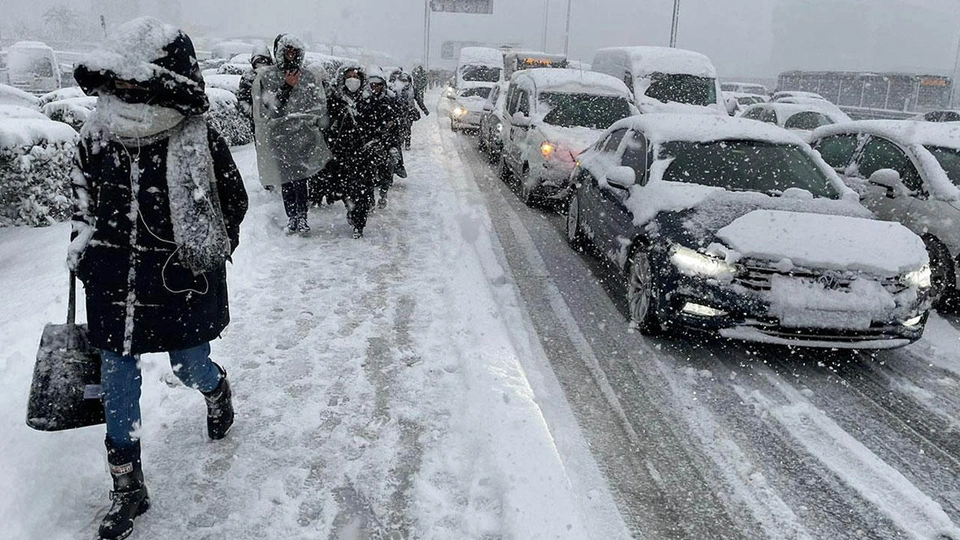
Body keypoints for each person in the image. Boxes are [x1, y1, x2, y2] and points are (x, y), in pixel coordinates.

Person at [69, 17, 248, 540]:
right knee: (118, 381)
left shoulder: (196, 137)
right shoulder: (96, 134)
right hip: (112, 282)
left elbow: (230, 202)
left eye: (134, 81)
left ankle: (216, 391)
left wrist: (205, 251)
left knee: (189, 365)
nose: (123, 90)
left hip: (177, 281)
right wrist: (83, 252)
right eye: (117, 81)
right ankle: (127, 486)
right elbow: (81, 202)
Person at [251, 34, 331, 234]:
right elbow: (270, 109)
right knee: (286, 178)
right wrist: (287, 87)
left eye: (294, 52)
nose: (291, 55)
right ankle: (292, 217)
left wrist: (314, 124)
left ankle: (302, 217)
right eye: (287, 51)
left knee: (301, 178)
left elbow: (318, 104)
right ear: (280, 53)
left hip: (303, 136)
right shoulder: (269, 76)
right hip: (280, 136)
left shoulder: (308, 76)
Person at [365, 70, 402, 210]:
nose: (375, 88)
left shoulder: (390, 99)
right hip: (370, 140)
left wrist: (391, 125)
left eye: (378, 85)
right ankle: (369, 199)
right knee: (367, 171)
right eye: (372, 85)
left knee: (387, 166)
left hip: (387, 139)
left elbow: (397, 118)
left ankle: (383, 194)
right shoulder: (365, 100)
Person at [237, 44, 273, 122]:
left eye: (264, 61)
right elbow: (242, 99)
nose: (261, 65)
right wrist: (252, 113)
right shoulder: (248, 76)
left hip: (273, 118)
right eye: (258, 62)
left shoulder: (273, 76)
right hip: (256, 121)